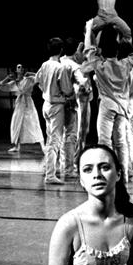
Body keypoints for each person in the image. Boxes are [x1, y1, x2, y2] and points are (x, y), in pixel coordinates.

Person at [81, 20, 133, 183]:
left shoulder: (100, 65)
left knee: (104, 141)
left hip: (107, 106)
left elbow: (88, 50)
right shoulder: (125, 64)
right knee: (121, 142)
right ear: (117, 51)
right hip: (122, 107)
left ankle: (108, 174)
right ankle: (123, 175)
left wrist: (89, 29)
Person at [35, 38, 74, 185]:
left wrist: (46, 90)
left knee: (50, 138)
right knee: (55, 141)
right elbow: (67, 89)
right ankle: (50, 175)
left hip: (46, 104)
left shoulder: (44, 64)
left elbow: (37, 80)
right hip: (56, 105)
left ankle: (47, 168)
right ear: (61, 50)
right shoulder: (60, 67)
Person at [59, 38, 93, 179]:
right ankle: (71, 165)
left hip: (59, 102)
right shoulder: (73, 65)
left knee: (62, 134)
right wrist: (86, 87)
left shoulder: (59, 61)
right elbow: (82, 83)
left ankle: (65, 164)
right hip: (75, 100)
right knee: (74, 134)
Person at [0, 64, 45, 155]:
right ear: (16, 70)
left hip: (28, 104)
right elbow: (0, 86)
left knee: (34, 123)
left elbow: (41, 76)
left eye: (22, 67)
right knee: (17, 124)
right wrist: (7, 78)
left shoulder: (29, 79)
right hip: (19, 104)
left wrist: (31, 73)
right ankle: (16, 146)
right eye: (19, 67)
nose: (21, 68)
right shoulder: (14, 83)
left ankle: (43, 146)